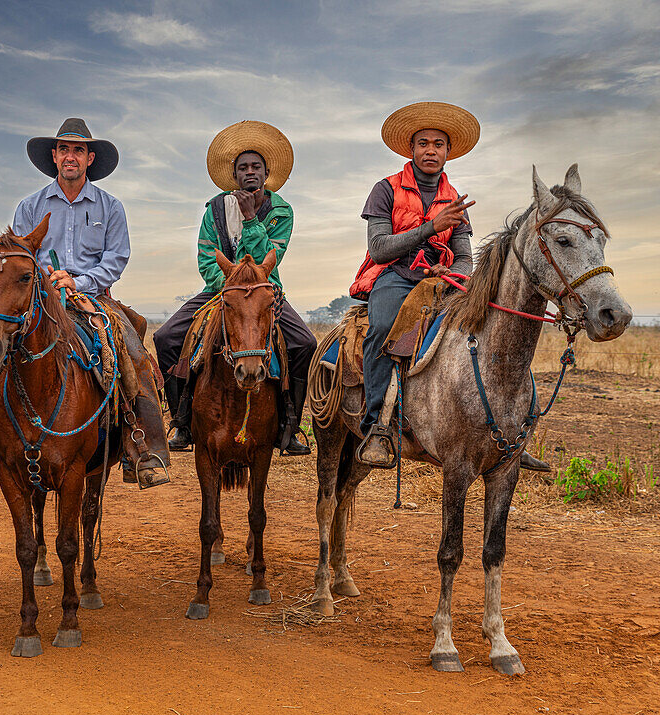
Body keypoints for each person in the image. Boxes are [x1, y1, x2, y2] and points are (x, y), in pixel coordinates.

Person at [350, 101, 549, 472]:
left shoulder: (454, 197)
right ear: (410, 150)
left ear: (447, 152)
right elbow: (378, 249)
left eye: (438, 144)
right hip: (395, 274)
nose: (430, 150)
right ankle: (377, 426)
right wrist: (429, 226)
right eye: (423, 143)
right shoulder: (385, 189)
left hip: (443, 280)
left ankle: (509, 434)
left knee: (494, 328)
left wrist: (453, 274)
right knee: (381, 328)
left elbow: (464, 256)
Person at [1, 117, 170, 489]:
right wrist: (48, 281)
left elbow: (117, 257)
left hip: (93, 297)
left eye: (78, 150)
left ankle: (144, 449)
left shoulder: (110, 206)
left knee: (132, 354)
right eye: (64, 149)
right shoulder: (30, 206)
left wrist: (79, 281)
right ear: (55, 157)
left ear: (90, 158)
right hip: (41, 299)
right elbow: (20, 256)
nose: (70, 157)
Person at [154, 120, 316, 456]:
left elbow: (271, 257)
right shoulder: (214, 210)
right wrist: (228, 287)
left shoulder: (281, 211)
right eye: (243, 167)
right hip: (220, 292)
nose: (250, 172)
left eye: (256, 166)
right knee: (166, 337)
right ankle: (182, 422)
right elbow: (205, 257)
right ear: (235, 174)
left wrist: (251, 218)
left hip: (265, 292)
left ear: (266, 171)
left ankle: (290, 427)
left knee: (304, 343)